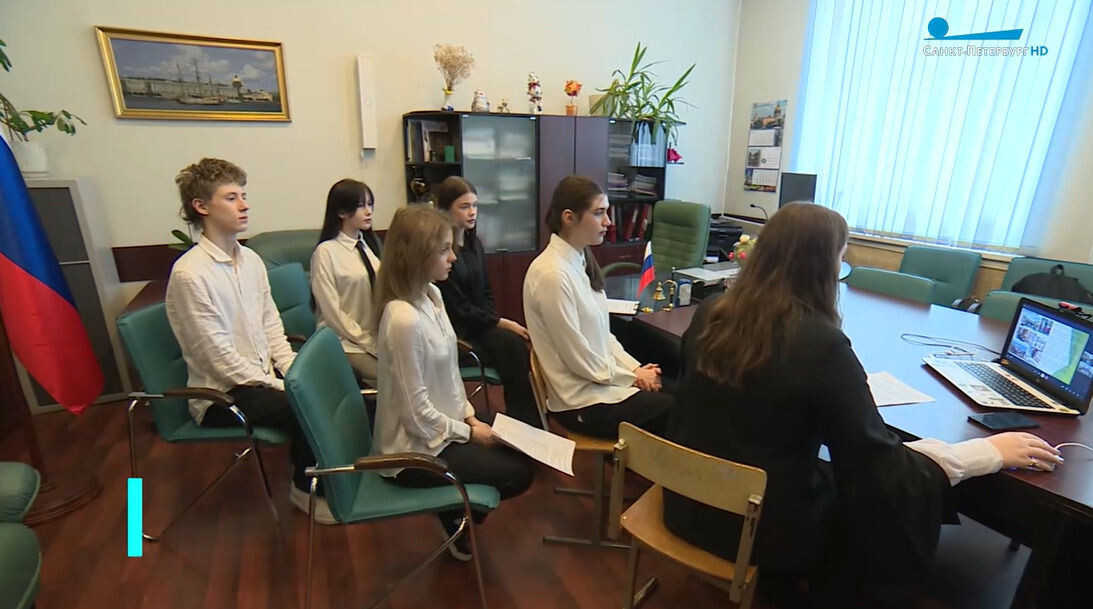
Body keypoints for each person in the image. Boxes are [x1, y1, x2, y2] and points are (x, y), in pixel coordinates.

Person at [663, 202, 1063, 607]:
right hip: (758, 532)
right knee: (878, 497)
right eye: (841, 255)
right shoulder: (821, 344)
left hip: (686, 503)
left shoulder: (712, 312)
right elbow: (878, 468)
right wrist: (982, 453)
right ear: (823, 265)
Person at [164, 158, 335, 524]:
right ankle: (304, 489)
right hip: (223, 393)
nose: (244, 205)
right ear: (201, 206)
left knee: (335, 387)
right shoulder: (190, 274)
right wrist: (283, 386)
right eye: (231, 198)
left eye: (243, 195)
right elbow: (218, 360)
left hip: (261, 377)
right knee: (306, 405)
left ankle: (342, 475)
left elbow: (271, 326)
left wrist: (293, 371)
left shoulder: (252, 260)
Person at [372, 205, 533, 561]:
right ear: (417, 255)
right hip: (415, 449)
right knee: (518, 473)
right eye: (444, 249)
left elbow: (449, 376)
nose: (454, 257)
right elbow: (416, 416)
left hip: (445, 426)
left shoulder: (432, 294)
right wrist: (470, 433)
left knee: (523, 449)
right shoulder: (403, 319)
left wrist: (470, 417)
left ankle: (454, 511)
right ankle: (453, 513)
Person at [523, 175, 673, 439]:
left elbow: (605, 337)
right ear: (569, 218)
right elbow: (579, 359)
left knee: (682, 393)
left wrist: (636, 370)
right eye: (599, 213)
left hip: (602, 385)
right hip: (582, 402)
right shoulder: (552, 275)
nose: (608, 222)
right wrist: (632, 376)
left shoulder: (579, 261)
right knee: (677, 410)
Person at [433, 176, 539, 427]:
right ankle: (524, 422)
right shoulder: (442, 255)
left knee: (516, 343)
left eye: (475, 205)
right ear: (445, 210)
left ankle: (524, 418)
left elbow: (486, 292)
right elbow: (459, 308)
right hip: (459, 332)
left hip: (481, 325)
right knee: (512, 346)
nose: (472, 212)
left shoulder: (475, 244)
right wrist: (500, 322)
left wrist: (494, 321)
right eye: (464, 206)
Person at [310, 179, 383, 386]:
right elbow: (333, 314)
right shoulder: (326, 253)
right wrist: (368, 343)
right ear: (342, 212)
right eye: (361, 206)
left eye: (370, 204)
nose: (368, 211)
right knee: (389, 378)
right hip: (345, 341)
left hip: (374, 338)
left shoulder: (369, 246)